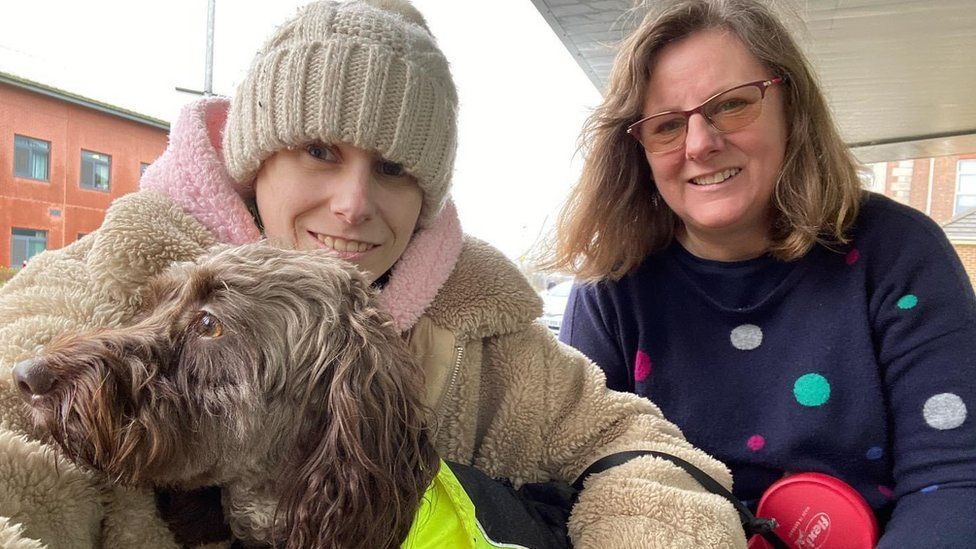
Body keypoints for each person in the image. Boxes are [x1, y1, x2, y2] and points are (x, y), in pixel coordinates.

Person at [0, 1, 747, 547]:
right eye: (319, 151)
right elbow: (17, 446)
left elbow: (638, 445)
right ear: (256, 159)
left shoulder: (480, 321)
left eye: (391, 168)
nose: (354, 204)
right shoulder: (107, 272)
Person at [545, 0, 976, 546]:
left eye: (732, 106)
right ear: (640, 152)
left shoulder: (896, 251)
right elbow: (573, 491)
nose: (700, 144)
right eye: (667, 126)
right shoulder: (611, 288)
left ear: (790, 107)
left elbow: (955, 481)